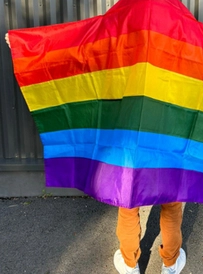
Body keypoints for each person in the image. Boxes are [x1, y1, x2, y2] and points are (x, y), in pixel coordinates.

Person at [4, 33, 186, 274]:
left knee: (128, 204)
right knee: (171, 204)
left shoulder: (123, 36)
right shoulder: (179, 37)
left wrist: (27, 44)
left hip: (129, 141)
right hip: (169, 138)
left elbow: (82, 49)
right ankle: (170, 265)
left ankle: (130, 265)